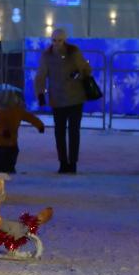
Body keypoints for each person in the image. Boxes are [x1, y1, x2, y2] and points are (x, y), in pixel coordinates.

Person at [35, 28, 91, 174]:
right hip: (58, 99)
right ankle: (63, 162)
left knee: (73, 132)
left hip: (75, 98)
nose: (57, 44)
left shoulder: (74, 52)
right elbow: (40, 75)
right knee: (59, 133)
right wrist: (40, 93)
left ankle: (72, 163)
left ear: (64, 40)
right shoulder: (47, 55)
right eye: (54, 40)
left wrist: (77, 74)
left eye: (59, 40)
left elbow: (86, 69)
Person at [0, 87, 44, 174]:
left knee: (4, 155)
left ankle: (2, 167)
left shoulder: (4, 111)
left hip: (4, 139)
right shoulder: (16, 111)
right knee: (8, 153)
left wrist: (3, 131)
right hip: (6, 139)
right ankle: (5, 167)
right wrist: (40, 125)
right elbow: (31, 118)